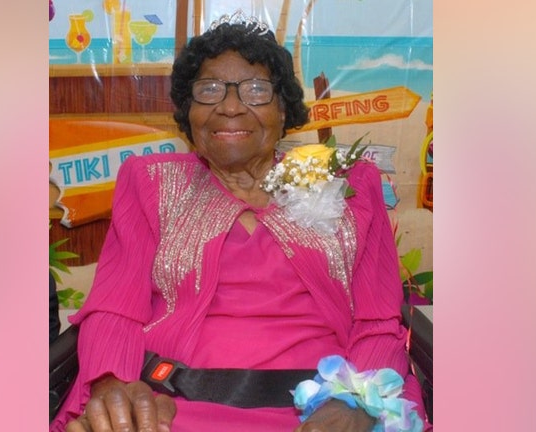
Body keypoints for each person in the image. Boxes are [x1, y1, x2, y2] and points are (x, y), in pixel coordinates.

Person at [51, 14, 430, 432]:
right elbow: (114, 307)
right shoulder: (150, 181)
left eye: (255, 90)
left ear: (284, 110)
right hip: (168, 405)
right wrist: (113, 386)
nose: (230, 106)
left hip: (324, 409)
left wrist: (358, 403)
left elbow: (377, 321)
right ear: (188, 112)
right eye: (209, 90)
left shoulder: (351, 184)